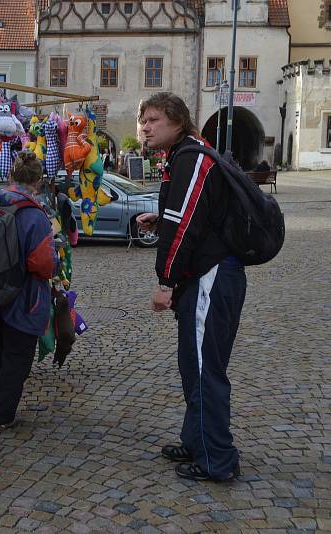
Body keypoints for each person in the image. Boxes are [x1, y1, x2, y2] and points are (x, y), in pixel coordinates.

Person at [135, 92, 246, 482]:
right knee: (193, 366)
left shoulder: (193, 158)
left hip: (212, 277)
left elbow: (184, 228)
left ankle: (217, 458)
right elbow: (189, 217)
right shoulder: (185, 155)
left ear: (177, 122)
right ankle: (197, 439)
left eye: (153, 120)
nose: (145, 127)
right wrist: (160, 220)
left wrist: (164, 283)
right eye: (143, 120)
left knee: (204, 369)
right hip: (205, 277)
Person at [0, 151, 58, 432]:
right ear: (37, 182)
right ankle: (2, 415)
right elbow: (43, 264)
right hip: (23, 296)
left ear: (11, 176)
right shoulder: (34, 214)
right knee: (17, 356)